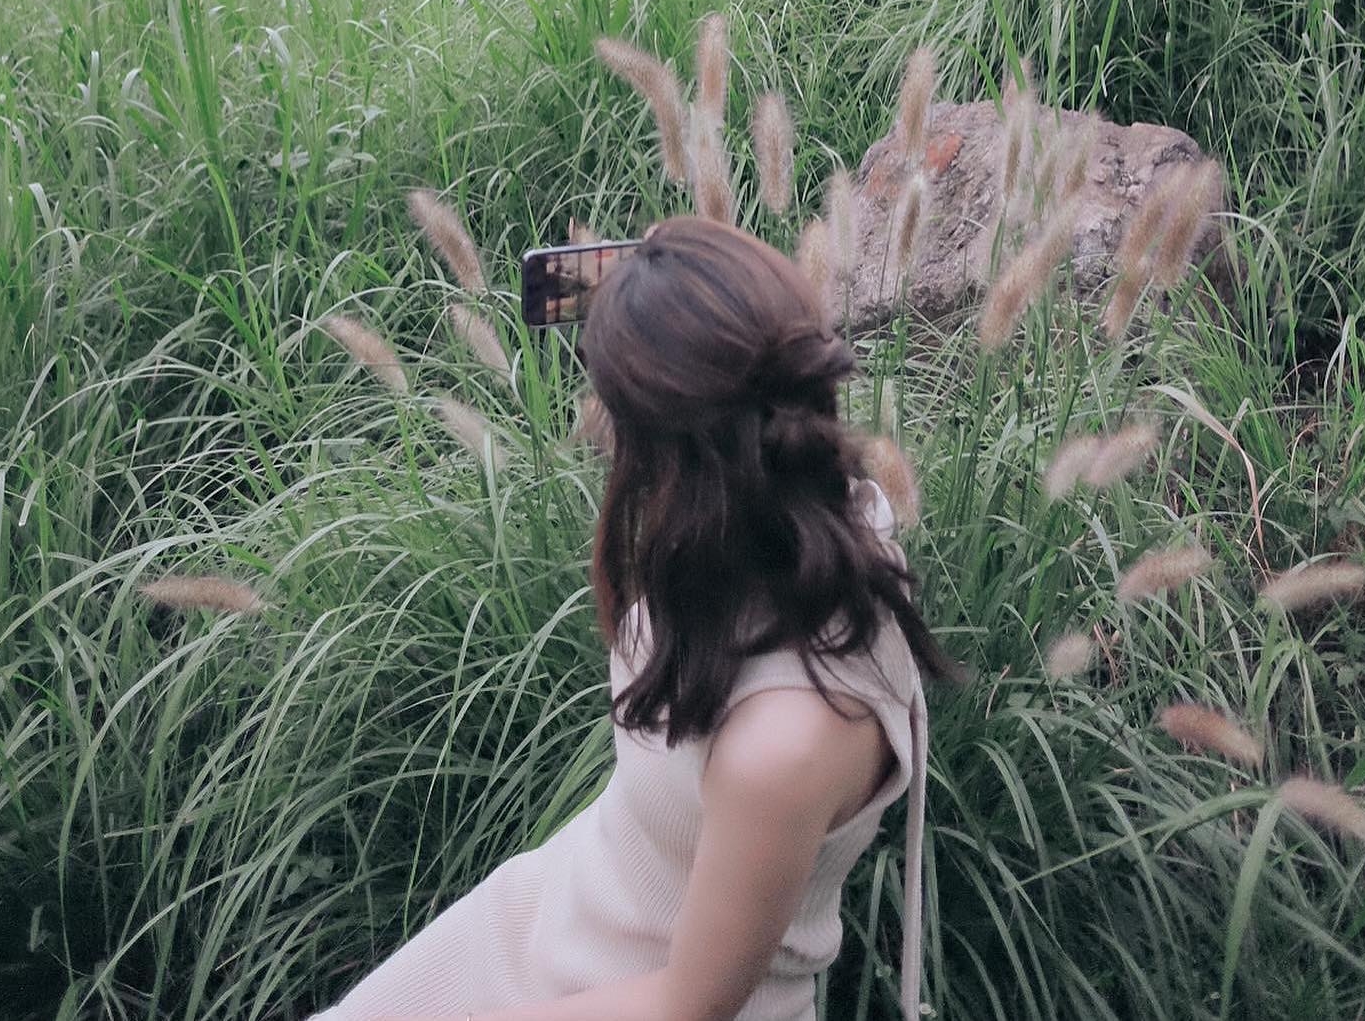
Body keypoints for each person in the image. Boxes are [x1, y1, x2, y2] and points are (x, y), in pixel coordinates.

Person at [309, 216, 955, 1021]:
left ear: (669, 455)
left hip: (622, 994)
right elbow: (739, 344)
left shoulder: (782, 745)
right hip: (557, 908)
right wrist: (657, 283)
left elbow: (685, 1005)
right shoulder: (813, 517)